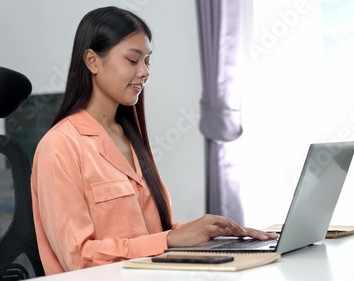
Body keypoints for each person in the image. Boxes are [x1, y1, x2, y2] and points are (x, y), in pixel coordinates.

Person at [31, 6, 278, 275]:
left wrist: (213, 234)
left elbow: (151, 236)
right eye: (132, 60)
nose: (145, 72)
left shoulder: (129, 137)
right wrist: (170, 239)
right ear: (92, 61)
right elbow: (78, 259)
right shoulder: (59, 146)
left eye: (147, 61)